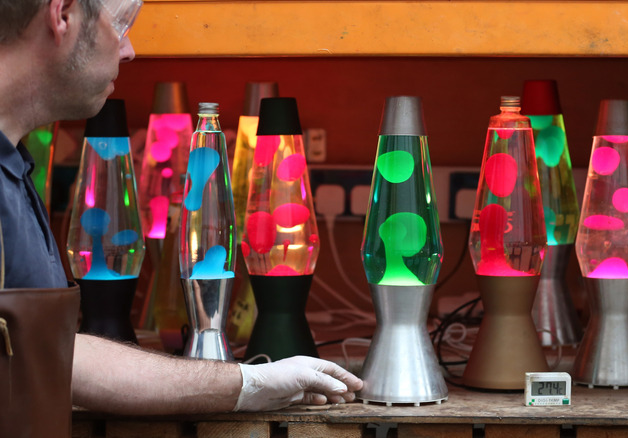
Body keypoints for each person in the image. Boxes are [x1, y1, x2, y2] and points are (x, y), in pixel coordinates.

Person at [0, 0, 362, 414]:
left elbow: (58, 356)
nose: (129, 50)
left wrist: (253, 383)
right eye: (121, 24)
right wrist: (251, 383)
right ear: (62, 15)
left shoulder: (13, 168)